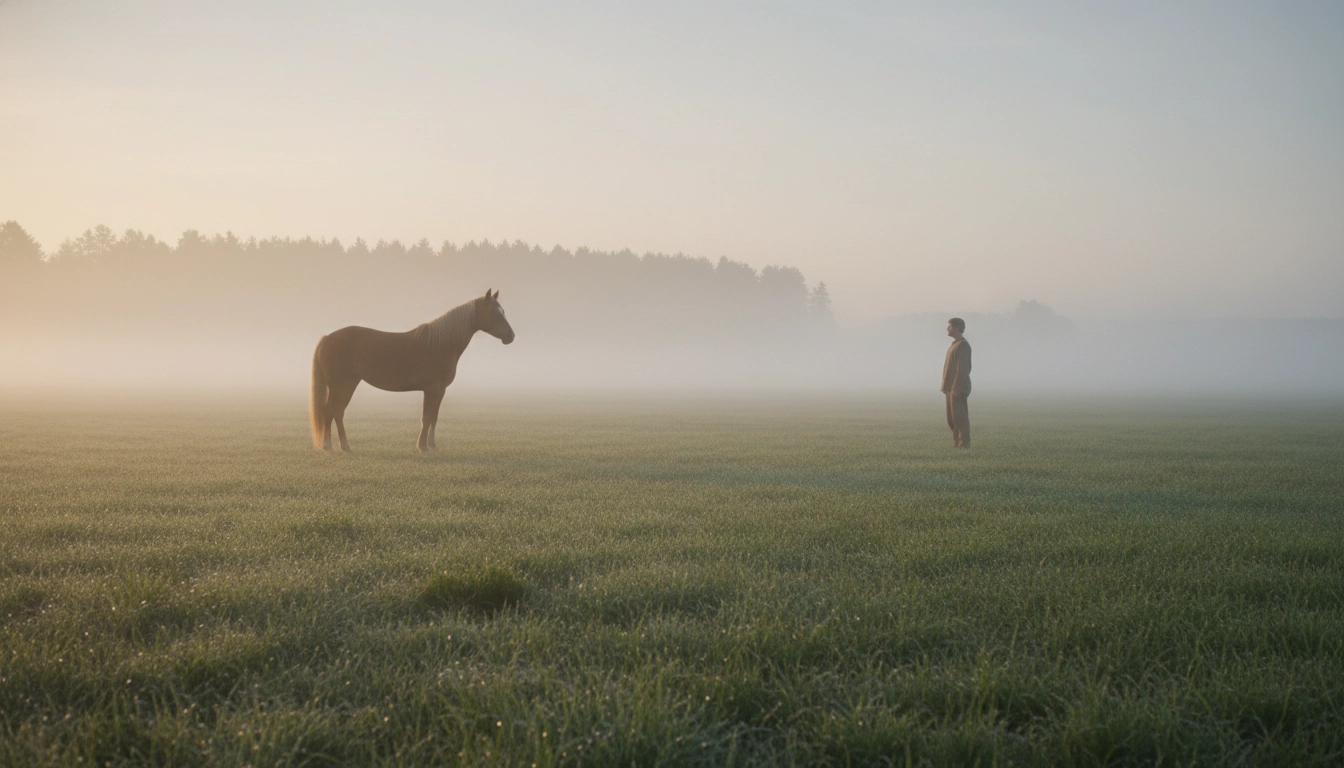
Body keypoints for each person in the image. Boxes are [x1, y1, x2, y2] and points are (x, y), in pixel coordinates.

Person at [941, 317, 971, 448]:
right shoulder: (953, 345)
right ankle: (956, 443)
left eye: (950, 327)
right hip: (949, 387)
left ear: (957, 328)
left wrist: (956, 387)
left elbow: (963, 368)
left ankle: (964, 444)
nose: (947, 329)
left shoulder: (963, 345)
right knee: (951, 419)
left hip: (958, 388)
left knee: (960, 418)